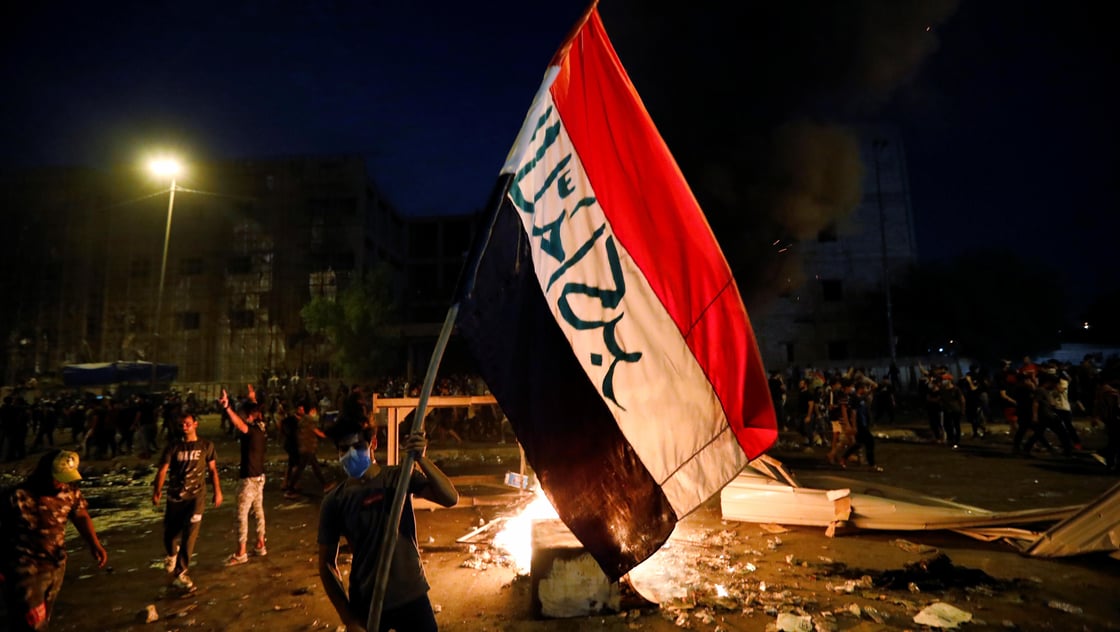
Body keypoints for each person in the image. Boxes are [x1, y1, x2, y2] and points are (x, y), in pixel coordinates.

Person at [318, 424, 458, 632]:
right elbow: (326, 564)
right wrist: (349, 619)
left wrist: (421, 459)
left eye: (357, 446)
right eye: (343, 449)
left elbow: (450, 498)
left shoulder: (397, 479)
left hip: (411, 594)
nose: (351, 454)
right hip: (367, 601)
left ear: (373, 443)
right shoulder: (335, 501)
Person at [0, 450, 108, 631]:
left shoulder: (70, 491)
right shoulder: (16, 496)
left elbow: (80, 515)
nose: (60, 484)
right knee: (32, 623)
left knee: (44, 619)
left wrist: (94, 544)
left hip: (56, 565)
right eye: (57, 478)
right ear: (44, 472)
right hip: (24, 569)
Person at [152, 413, 223, 593]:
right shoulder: (173, 447)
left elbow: (213, 470)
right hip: (176, 497)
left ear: (195, 425)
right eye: (181, 424)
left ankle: (181, 572)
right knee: (170, 535)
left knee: (190, 534)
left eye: (187, 424)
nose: (184, 427)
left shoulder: (206, 446)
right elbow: (163, 470)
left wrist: (218, 491)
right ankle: (172, 556)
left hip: (197, 497)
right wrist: (157, 491)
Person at [219, 386, 269, 565]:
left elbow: (239, 424)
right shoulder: (261, 427)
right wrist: (252, 397)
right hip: (260, 477)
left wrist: (227, 408)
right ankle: (260, 544)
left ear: (248, 415)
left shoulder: (250, 430)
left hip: (249, 479)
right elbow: (252, 412)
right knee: (258, 511)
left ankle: (241, 552)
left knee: (241, 514)